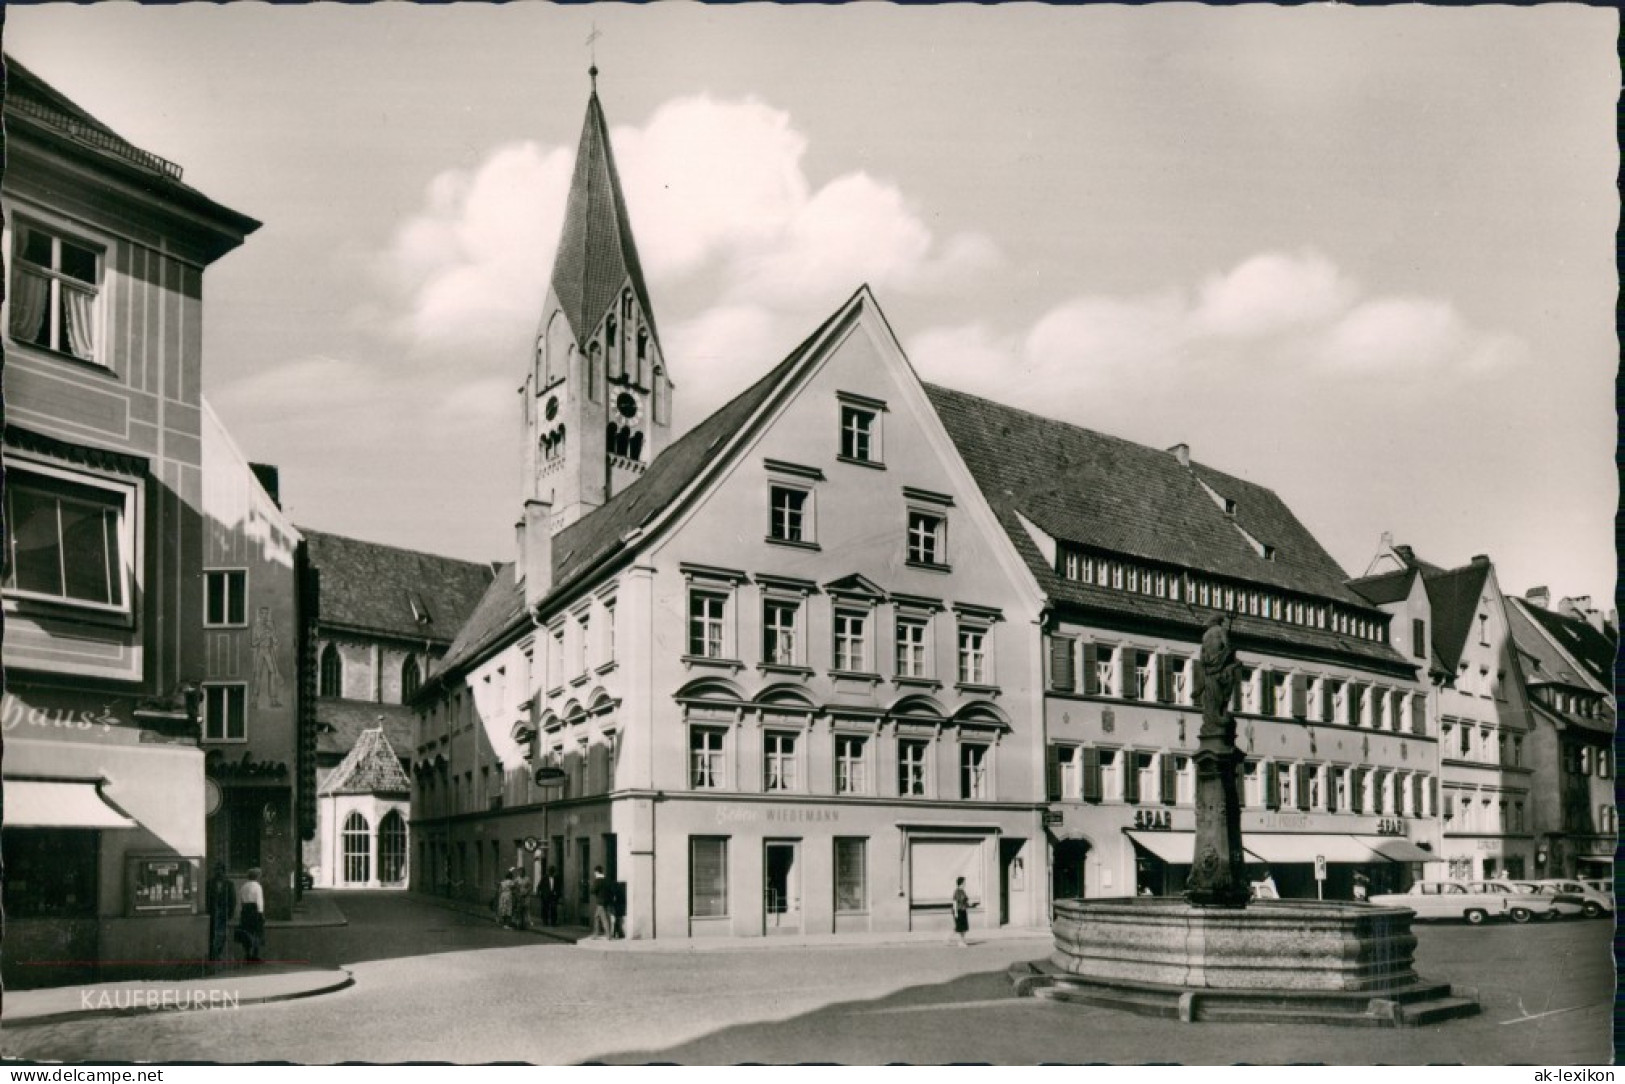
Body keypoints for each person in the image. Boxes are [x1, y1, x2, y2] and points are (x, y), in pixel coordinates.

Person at [206, 863, 236, 962]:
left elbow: (232, 899)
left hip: (223, 912)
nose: (218, 872)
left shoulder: (229, 884)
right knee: (212, 933)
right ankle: (212, 953)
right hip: (212, 912)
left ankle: (218, 952)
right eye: (216, 870)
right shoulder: (209, 883)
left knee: (222, 933)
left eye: (220, 870)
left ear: (223, 871)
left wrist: (231, 912)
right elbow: (206, 898)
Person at [236, 867, 266, 963]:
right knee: (257, 932)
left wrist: (241, 911)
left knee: (246, 932)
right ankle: (255, 954)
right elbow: (259, 900)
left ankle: (247, 953)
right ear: (257, 876)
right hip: (254, 910)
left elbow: (240, 900)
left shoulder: (243, 886)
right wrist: (261, 913)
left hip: (245, 910)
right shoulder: (257, 886)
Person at [590, 866, 614, 939]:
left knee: (603, 918)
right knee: (597, 917)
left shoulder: (597, 881)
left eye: (595, 872)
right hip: (607, 901)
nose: (594, 874)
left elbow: (592, 890)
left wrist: (592, 886)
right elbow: (611, 890)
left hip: (600, 902)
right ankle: (596, 934)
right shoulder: (607, 880)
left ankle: (608, 935)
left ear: (597, 872)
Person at [950, 876, 971, 947]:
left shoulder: (963, 891)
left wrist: (970, 904)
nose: (965, 883)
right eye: (964, 882)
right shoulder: (957, 891)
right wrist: (955, 912)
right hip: (958, 910)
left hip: (963, 910)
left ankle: (961, 941)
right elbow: (955, 902)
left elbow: (965, 901)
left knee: (964, 927)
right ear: (961, 883)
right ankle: (960, 942)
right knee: (960, 928)